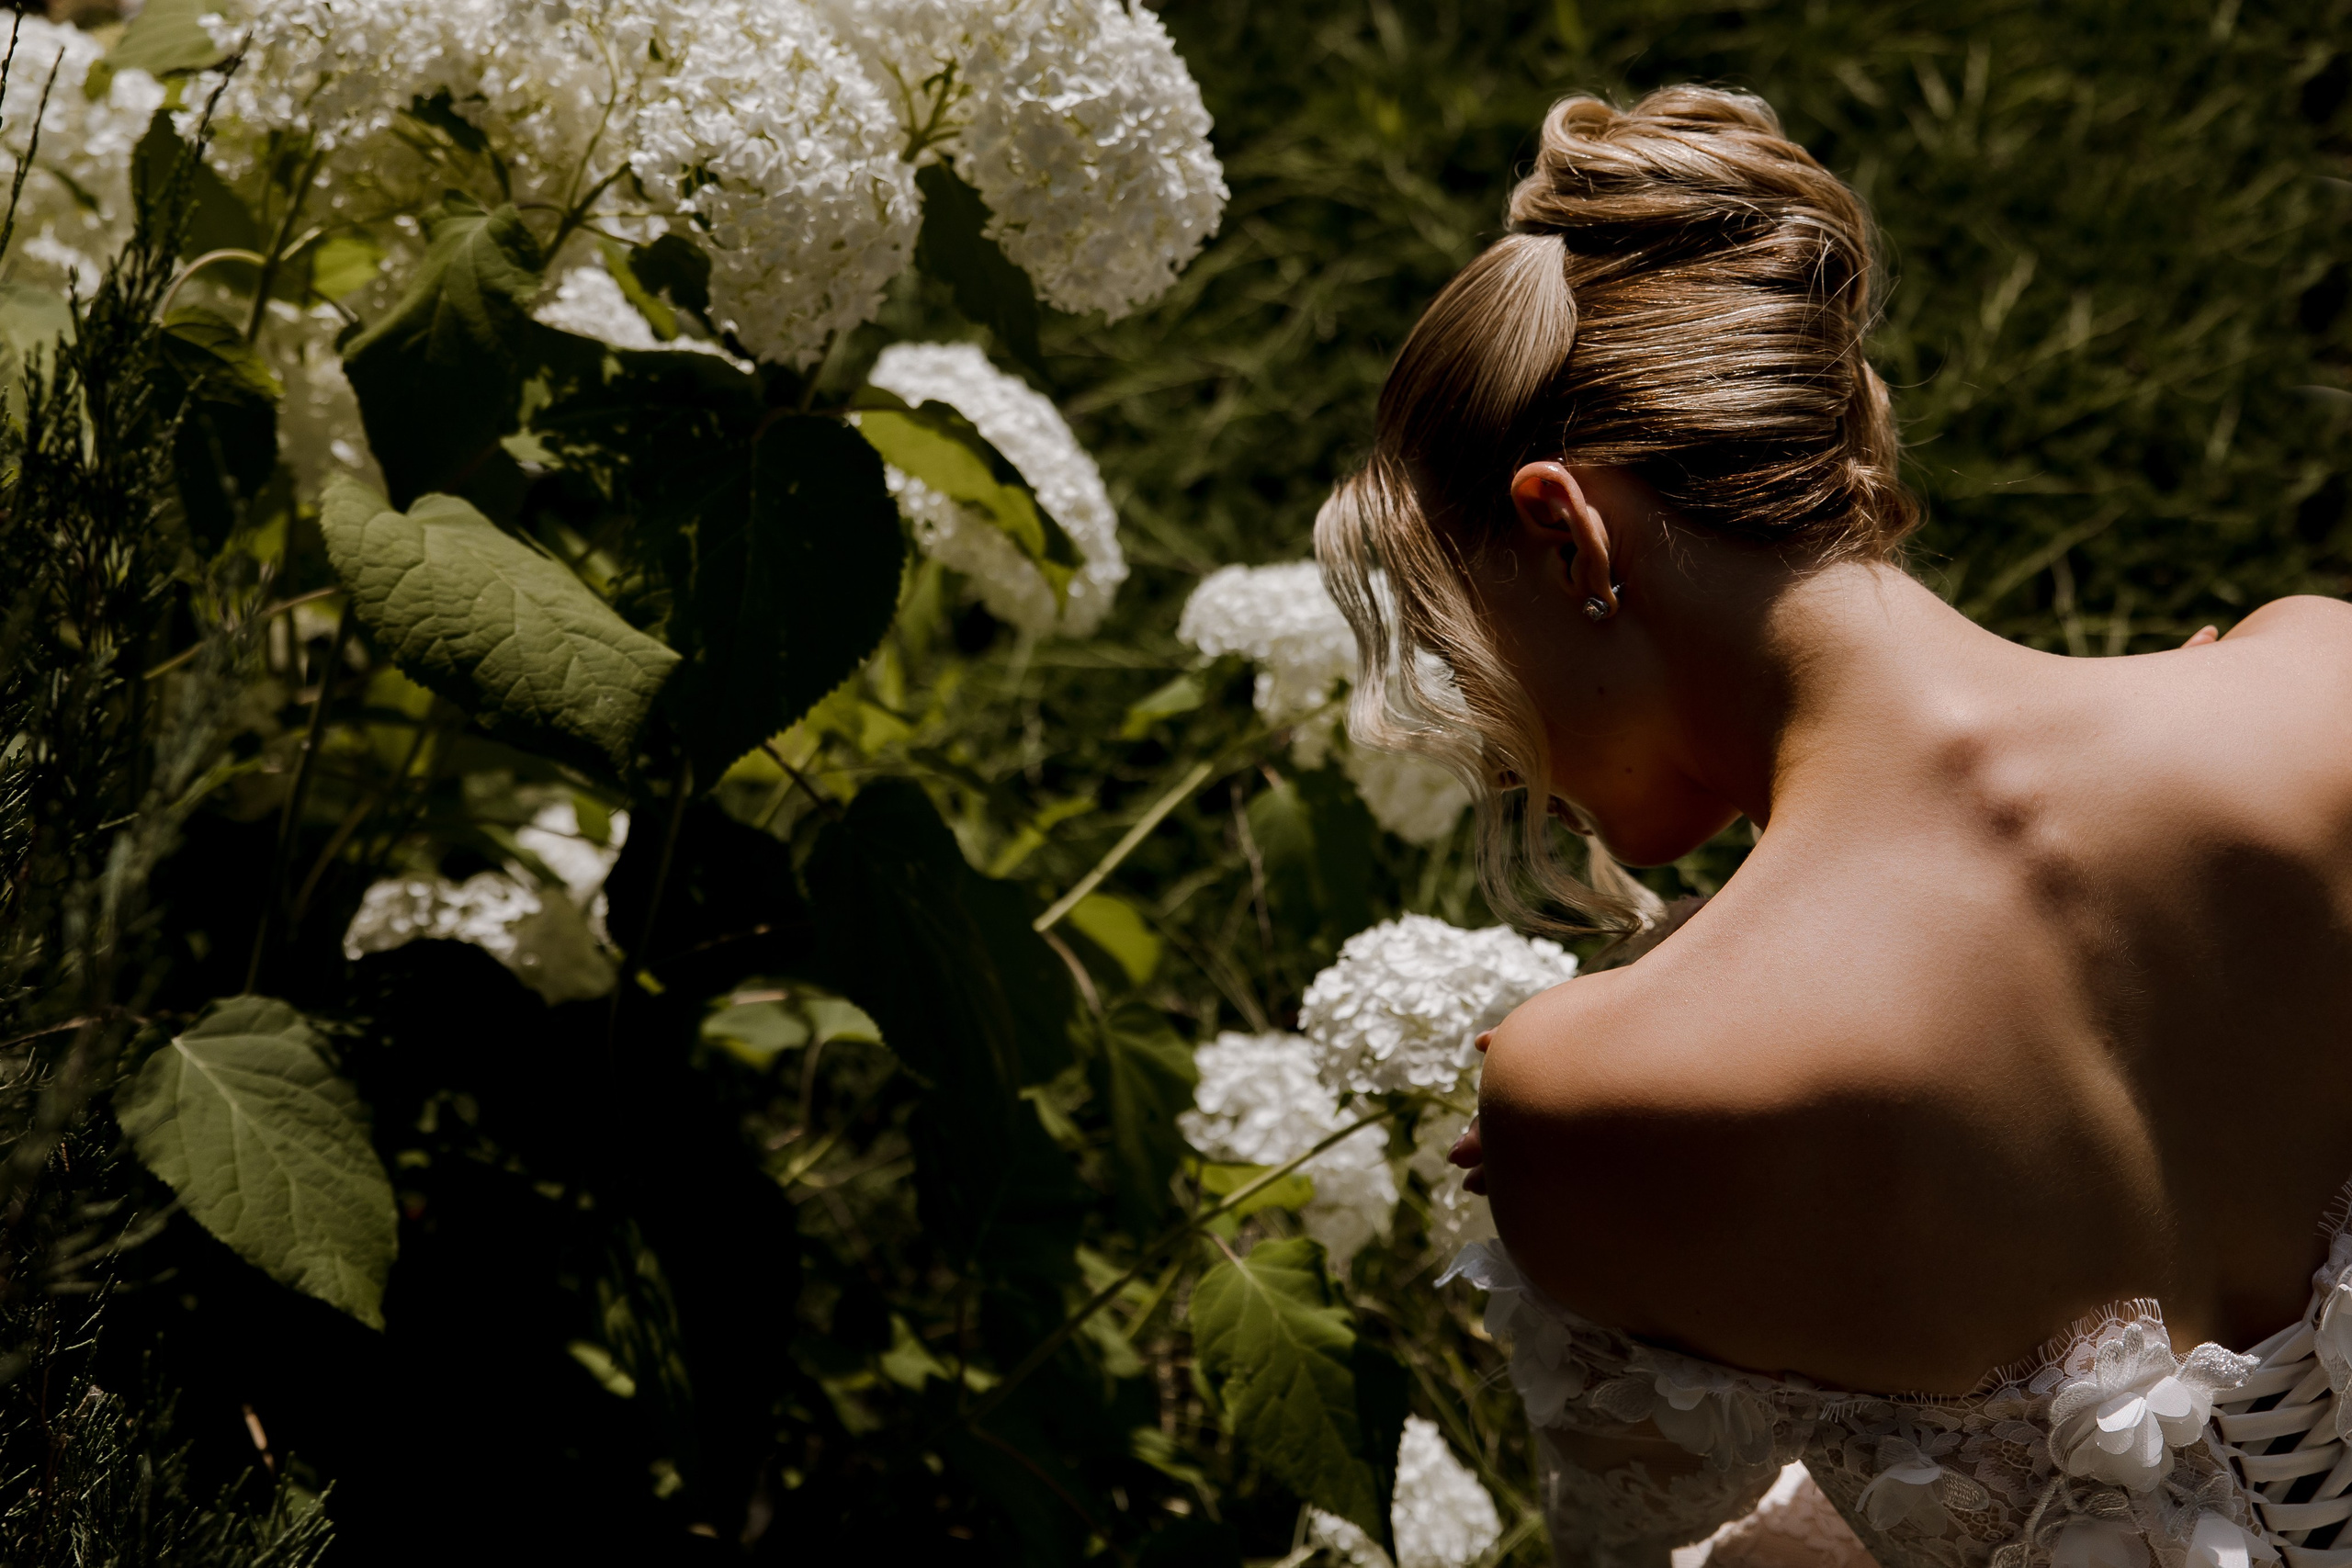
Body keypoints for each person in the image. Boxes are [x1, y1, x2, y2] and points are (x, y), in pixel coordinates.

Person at [1314, 85, 2352, 1568]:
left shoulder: (1600, 1091)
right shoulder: (2324, 686)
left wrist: (1612, 1112)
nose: (1493, 735)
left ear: (1565, 534)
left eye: (1457, 633)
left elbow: (1635, 1530)